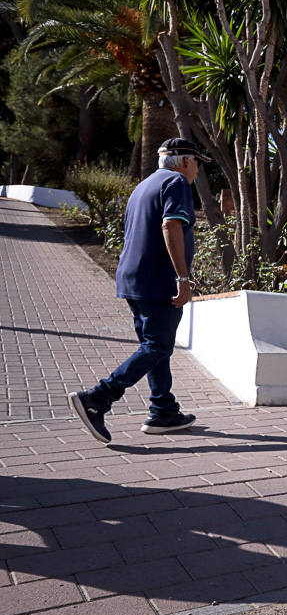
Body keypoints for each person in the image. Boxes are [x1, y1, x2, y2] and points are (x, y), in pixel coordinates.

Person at [69, 138, 208, 445]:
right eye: (197, 162)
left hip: (133, 280)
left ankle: (163, 410)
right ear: (185, 161)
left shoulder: (143, 186)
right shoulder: (176, 183)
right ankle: (97, 398)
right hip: (160, 281)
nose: (197, 169)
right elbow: (171, 226)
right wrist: (182, 279)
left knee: (155, 345)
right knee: (158, 345)